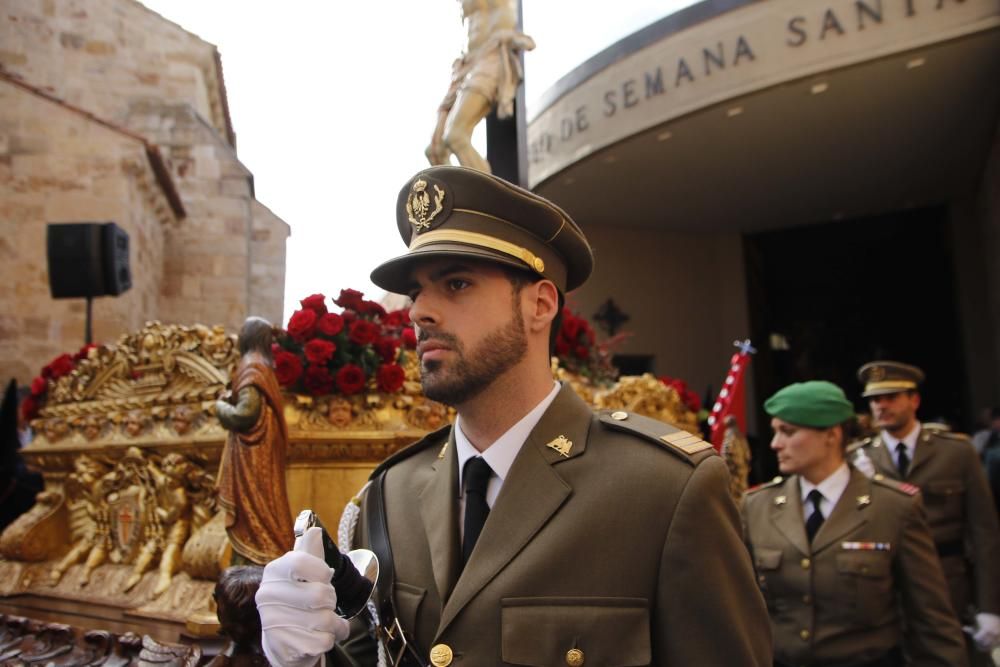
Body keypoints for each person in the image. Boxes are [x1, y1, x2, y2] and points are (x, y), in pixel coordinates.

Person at [255, 166, 772, 666]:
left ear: (540, 305)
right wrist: (309, 657)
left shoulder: (663, 491)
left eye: (456, 284)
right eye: (416, 292)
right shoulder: (389, 496)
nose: (418, 311)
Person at [743, 380, 967, 667]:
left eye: (788, 431)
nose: (775, 444)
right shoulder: (756, 506)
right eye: (775, 432)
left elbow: (931, 620)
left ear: (832, 435)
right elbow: (744, 610)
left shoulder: (893, 507)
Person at [851, 361, 1000, 661]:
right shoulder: (859, 458)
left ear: (914, 400)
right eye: (875, 400)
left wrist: (990, 607)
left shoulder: (956, 452)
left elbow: (984, 532)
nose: (881, 406)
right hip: (887, 590)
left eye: (891, 397)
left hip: (950, 585)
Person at [216, 317, 294, 566]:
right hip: (259, 451)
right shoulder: (262, 366)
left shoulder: (252, 366)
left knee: (257, 511)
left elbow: (245, 414)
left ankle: (257, 559)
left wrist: (219, 406)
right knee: (263, 508)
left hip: (253, 456)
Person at [425, 0, 534, 173]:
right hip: (466, 61)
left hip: (490, 52)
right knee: (435, 149)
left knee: (456, 136)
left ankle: (489, 197)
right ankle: (453, 196)